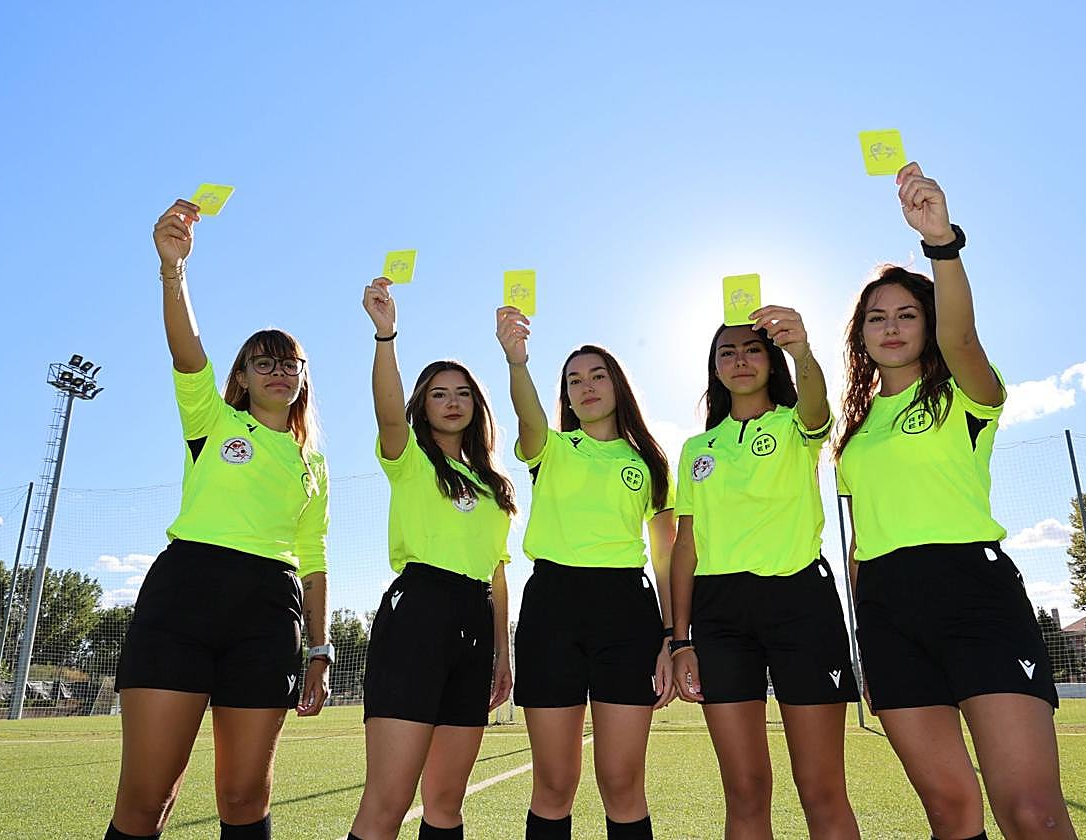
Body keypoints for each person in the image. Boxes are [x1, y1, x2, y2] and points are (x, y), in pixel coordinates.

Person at [835, 163, 1077, 840]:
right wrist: (864, 640)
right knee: (949, 811)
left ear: (930, 322)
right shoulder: (854, 434)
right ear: (861, 335)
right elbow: (859, 545)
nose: (890, 326)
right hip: (886, 610)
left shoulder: (966, 394)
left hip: (974, 594)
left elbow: (962, 339)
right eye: (876, 317)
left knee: (1030, 813)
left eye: (908, 313)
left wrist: (940, 243)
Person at [106, 199, 332, 840]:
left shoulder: (312, 464)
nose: (281, 369)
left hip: (268, 614)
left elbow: (314, 558)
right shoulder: (211, 419)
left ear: (304, 380)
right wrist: (173, 270)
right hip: (184, 598)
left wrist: (317, 650)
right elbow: (187, 350)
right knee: (147, 798)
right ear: (240, 375)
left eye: (291, 362)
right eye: (265, 360)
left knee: (242, 796)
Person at [670, 310, 860, 839]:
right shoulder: (697, 450)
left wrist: (803, 352)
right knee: (746, 790)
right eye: (726, 352)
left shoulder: (796, 424)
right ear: (715, 369)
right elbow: (686, 545)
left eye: (752, 349)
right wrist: (679, 639)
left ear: (771, 360)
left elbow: (820, 407)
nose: (740, 360)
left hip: (800, 602)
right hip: (720, 616)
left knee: (821, 788)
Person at [496, 306, 676, 840]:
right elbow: (529, 418)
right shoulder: (549, 448)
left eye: (597, 375)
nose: (586, 386)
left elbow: (664, 554)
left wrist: (672, 636)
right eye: (574, 380)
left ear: (618, 385)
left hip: (626, 612)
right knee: (554, 784)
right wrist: (517, 361)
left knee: (621, 781)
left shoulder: (649, 462)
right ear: (566, 396)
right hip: (552, 608)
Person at [348, 277, 515, 840]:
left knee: (445, 803)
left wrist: (502, 652)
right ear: (423, 403)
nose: (452, 402)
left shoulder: (495, 486)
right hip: (417, 613)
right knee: (389, 801)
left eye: (463, 393)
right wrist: (386, 334)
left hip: (476, 624)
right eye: (440, 393)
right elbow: (388, 413)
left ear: (476, 406)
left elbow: (497, 571)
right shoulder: (410, 458)